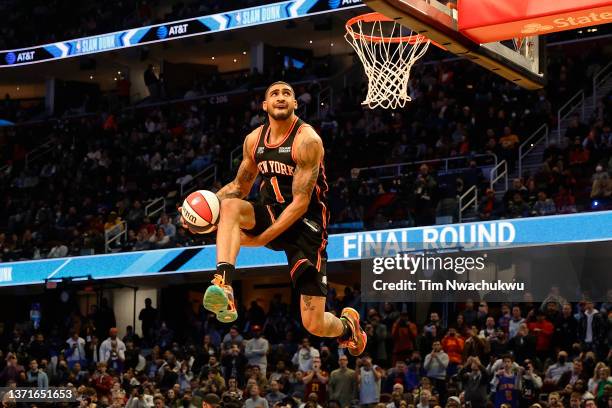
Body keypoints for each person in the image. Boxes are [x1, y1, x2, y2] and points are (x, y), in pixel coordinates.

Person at [179, 81, 366, 356]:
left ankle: (348, 328)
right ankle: (224, 284)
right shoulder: (254, 140)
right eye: (274, 94)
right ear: (265, 105)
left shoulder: (307, 140)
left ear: (295, 104)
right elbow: (239, 187)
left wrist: (261, 240)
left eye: (287, 94)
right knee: (230, 206)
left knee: (313, 323)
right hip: (270, 211)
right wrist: (200, 213)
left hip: (306, 226)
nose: (281, 97)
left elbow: (300, 204)